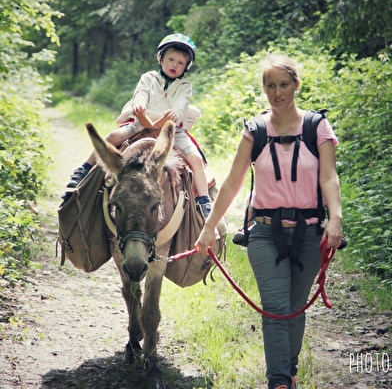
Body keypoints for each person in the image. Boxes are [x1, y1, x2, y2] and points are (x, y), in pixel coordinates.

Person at [194, 54, 343, 389]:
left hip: (309, 232)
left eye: (284, 85)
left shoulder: (317, 127)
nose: (277, 92)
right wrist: (208, 227)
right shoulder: (255, 131)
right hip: (264, 232)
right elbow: (232, 182)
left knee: (294, 309)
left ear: (296, 86)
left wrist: (336, 218)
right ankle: (279, 381)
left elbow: (329, 177)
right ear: (263, 89)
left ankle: (286, 369)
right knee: (275, 308)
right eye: (271, 86)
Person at [63, 33, 212, 218]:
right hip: (142, 123)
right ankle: (84, 169)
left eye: (180, 63)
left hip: (171, 128)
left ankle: (204, 200)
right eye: (171, 59)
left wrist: (176, 113)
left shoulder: (184, 86)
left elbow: (182, 104)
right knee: (112, 138)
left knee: (196, 158)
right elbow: (140, 94)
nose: (174, 65)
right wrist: (139, 105)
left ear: (186, 67)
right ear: (160, 58)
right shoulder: (148, 78)